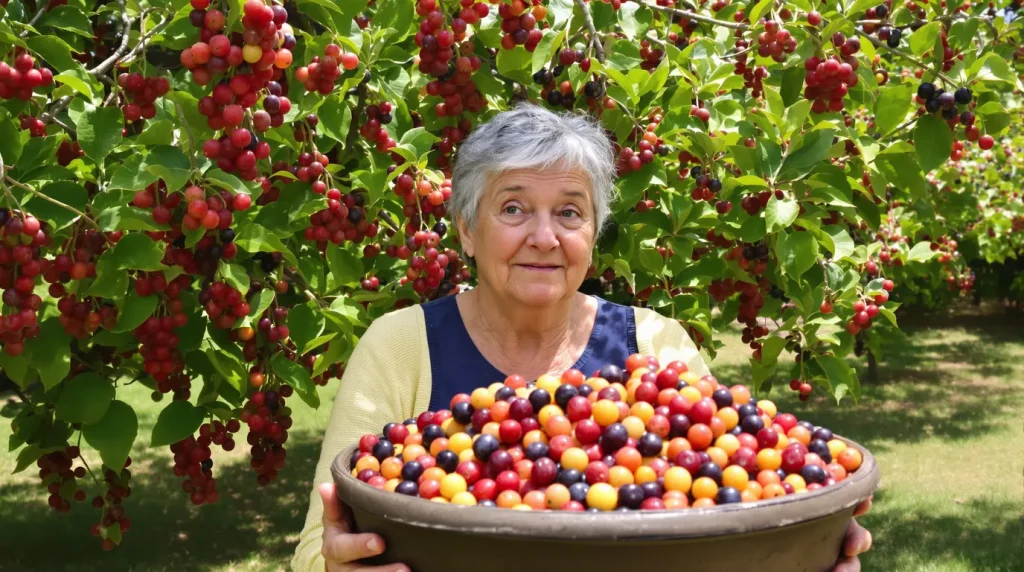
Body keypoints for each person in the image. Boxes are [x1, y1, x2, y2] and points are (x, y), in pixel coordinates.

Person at [292, 104, 873, 572]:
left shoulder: (656, 343)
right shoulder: (400, 346)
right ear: (466, 229)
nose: (544, 237)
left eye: (570, 213)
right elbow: (323, 543)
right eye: (514, 208)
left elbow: (727, 509)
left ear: (593, 234)